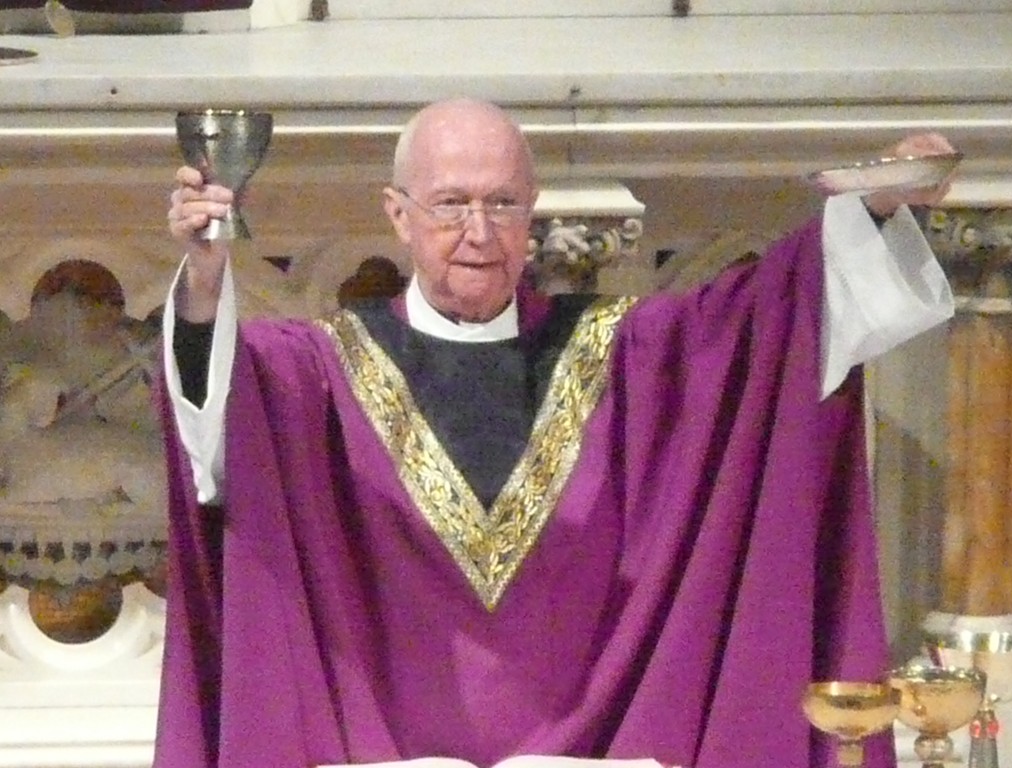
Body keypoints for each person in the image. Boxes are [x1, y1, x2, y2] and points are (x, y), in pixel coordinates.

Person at [156, 97, 956, 768]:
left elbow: (766, 327)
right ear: (397, 214)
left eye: (503, 204)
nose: (479, 231)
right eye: (450, 204)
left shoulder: (627, 354)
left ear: (532, 210)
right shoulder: (317, 375)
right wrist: (205, 277)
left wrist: (874, 208)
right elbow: (216, 406)